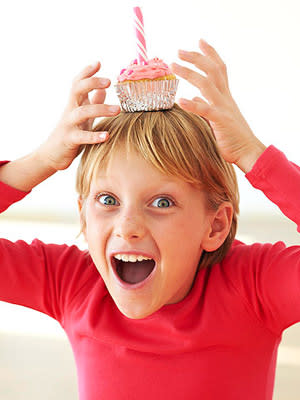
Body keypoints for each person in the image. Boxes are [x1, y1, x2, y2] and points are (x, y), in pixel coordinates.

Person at [0, 39, 299, 400]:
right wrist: (40, 161)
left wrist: (254, 155)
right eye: (108, 199)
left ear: (215, 225)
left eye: (161, 202)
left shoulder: (255, 288)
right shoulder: (73, 284)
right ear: (83, 213)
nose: (128, 226)